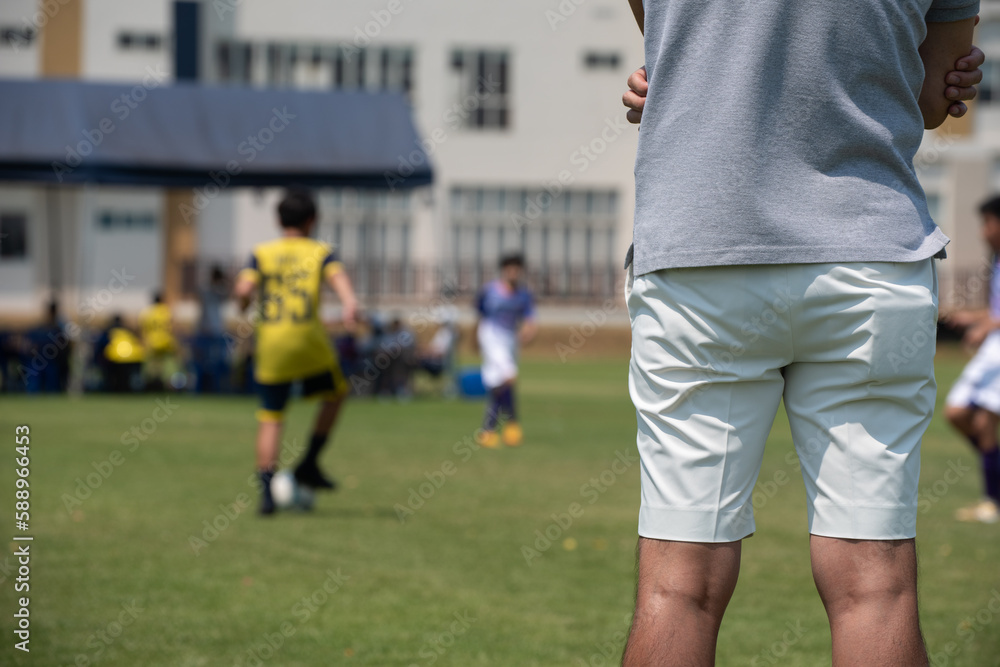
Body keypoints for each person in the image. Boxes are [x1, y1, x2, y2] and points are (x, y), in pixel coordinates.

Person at [619, 1, 984, 665]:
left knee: (679, 586)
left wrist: (686, 79)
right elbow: (936, 94)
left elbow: (676, 49)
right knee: (876, 584)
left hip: (703, 253)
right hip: (869, 256)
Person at [233, 189, 359, 515]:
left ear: (278, 220)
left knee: (271, 417)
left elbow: (243, 290)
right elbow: (341, 283)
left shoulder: (262, 252)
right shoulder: (319, 251)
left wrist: (244, 301)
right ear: (312, 220)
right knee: (336, 394)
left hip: (272, 344)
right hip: (307, 341)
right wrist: (349, 306)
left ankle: (266, 496)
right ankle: (309, 463)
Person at [942, 195, 1000, 524]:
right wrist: (972, 317)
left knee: (984, 420)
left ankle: (991, 502)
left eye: (988, 222)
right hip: (994, 347)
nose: (983, 232)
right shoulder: (995, 260)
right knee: (956, 412)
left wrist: (987, 325)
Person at [474, 253, 537, 448]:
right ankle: (512, 424)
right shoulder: (489, 291)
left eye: (517, 268)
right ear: (504, 270)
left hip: (510, 338)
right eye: (510, 268)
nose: (513, 272)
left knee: (497, 384)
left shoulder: (523, 295)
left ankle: (488, 431)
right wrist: (474, 340)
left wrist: (528, 333)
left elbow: (529, 319)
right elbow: (480, 315)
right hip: (491, 335)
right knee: (509, 375)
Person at [139, 291, 177, 391]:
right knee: (168, 364)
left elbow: (143, 328)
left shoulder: (148, 312)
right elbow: (172, 327)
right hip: (165, 342)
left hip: (152, 342)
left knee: (151, 365)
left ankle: (150, 385)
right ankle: (169, 385)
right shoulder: (166, 310)